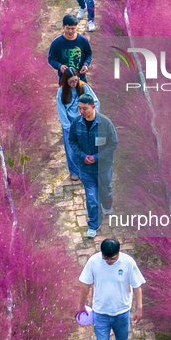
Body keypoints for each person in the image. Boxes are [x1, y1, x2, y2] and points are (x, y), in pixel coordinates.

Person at [78, 238, 145, 340]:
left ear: (118, 253)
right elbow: (85, 285)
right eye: (105, 258)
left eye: (112, 259)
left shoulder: (128, 263)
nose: (108, 261)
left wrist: (139, 308)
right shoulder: (94, 262)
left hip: (122, 312)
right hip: (100, 313)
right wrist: (81, 305)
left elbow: (137, 286)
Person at [69, 97, 118, 238]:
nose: (81, 111)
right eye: (79, 108)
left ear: (93, 107)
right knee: (91, 197)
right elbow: (72, 141)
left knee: (105, 191)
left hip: (103, 168)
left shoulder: (105, 123)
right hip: (85, 168)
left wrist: (96, 158)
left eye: (84, 108)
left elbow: (113, 143)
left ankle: (108, 206)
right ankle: (93, 225)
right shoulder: (76, 123)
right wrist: (83, 156)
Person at [57, 67, 99, 181]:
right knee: (72, 149)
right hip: (70, 124)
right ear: (65, 81)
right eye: (71, 81)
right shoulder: (61, 92)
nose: (74, 83)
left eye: (76, 80)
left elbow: (95, 102)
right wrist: (67, 127)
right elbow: (61, 111)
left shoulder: (84, 87)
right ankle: (75, 171)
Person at [48, 15, 92, 85]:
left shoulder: (83, 40)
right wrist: (59, 66)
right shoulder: (56, 43)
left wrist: (86, 64)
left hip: (81, 78)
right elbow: (51, 59)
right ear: (63, 26)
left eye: (73, 28)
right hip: (64, 79)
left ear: (76, 27)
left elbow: (88, 53)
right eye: (68, 28)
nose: (70, 31)